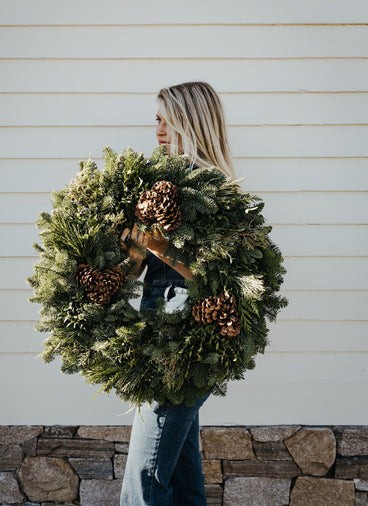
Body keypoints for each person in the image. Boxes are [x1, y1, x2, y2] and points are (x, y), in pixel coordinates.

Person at [119, 81, 235, 506]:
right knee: (182, 472)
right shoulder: (161, 188)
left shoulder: (214, 194)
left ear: (193, 123)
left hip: (185, 345)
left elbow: (218, 277)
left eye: (169, 121)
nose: (160, 131)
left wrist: (158, 246)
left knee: (144, 481)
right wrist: (131, 252)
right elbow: (143, 264)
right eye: (157, 120)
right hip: (160, 338)